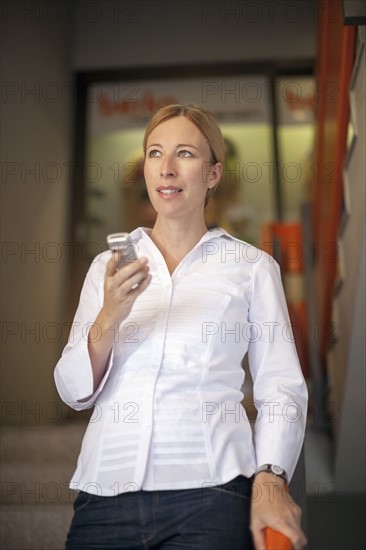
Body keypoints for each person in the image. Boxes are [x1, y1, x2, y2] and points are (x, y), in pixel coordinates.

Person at [54, 104, 308, 550]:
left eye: (185, 154)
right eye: (155, 153)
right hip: (104, 494)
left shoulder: (251, 267)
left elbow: (281, 388)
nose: (166, 169)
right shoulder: (106, 269)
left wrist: (270, 477)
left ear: (213, 174)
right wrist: (110, 315)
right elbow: (72, 390)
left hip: (212, 493)